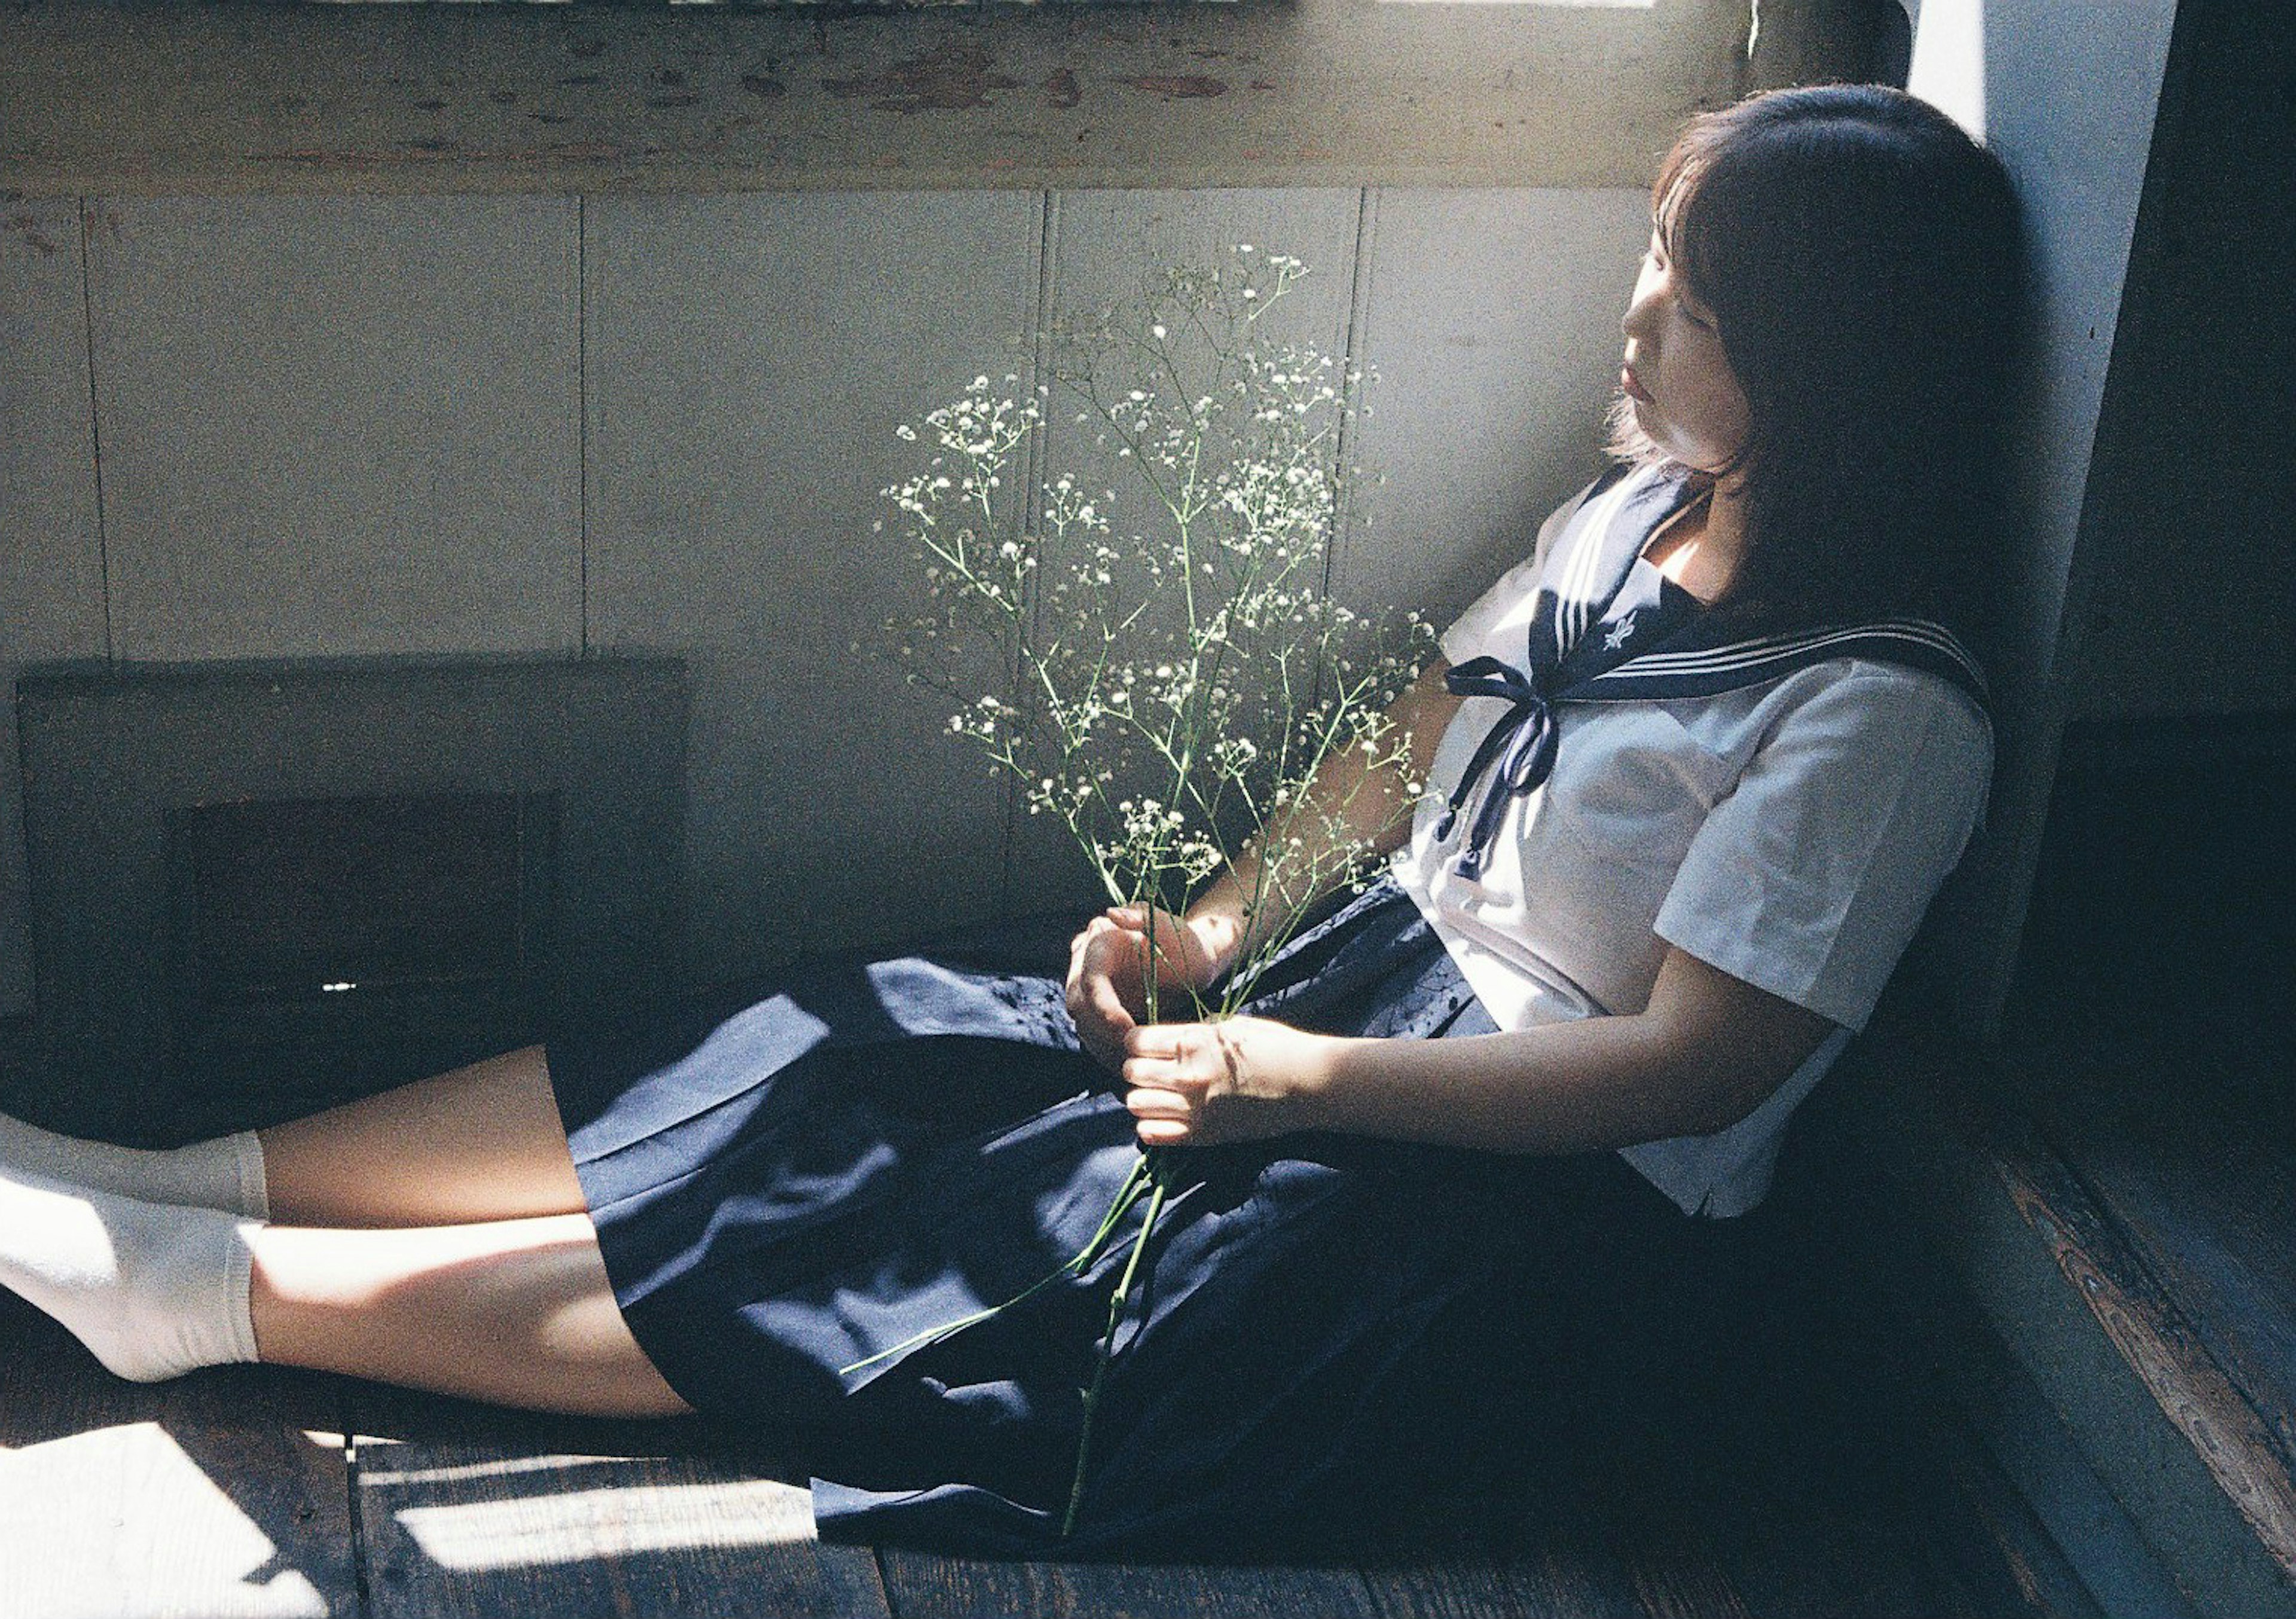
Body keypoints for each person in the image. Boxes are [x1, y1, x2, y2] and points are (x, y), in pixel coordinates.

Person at [0, 83, 2022, 1553]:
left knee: (966, 1244)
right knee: (862, 1043)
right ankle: (190, 1177)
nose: (1636, 324)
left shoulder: (1884, 708)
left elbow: (1687, 1072)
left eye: (1691, 304)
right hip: (1337, 1012)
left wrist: (1300, 1081)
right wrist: (1218, 932)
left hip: (1513, 1213)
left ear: (1830, 370)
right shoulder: (1633, 516)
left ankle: (207, 1301)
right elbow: (1404, 749)